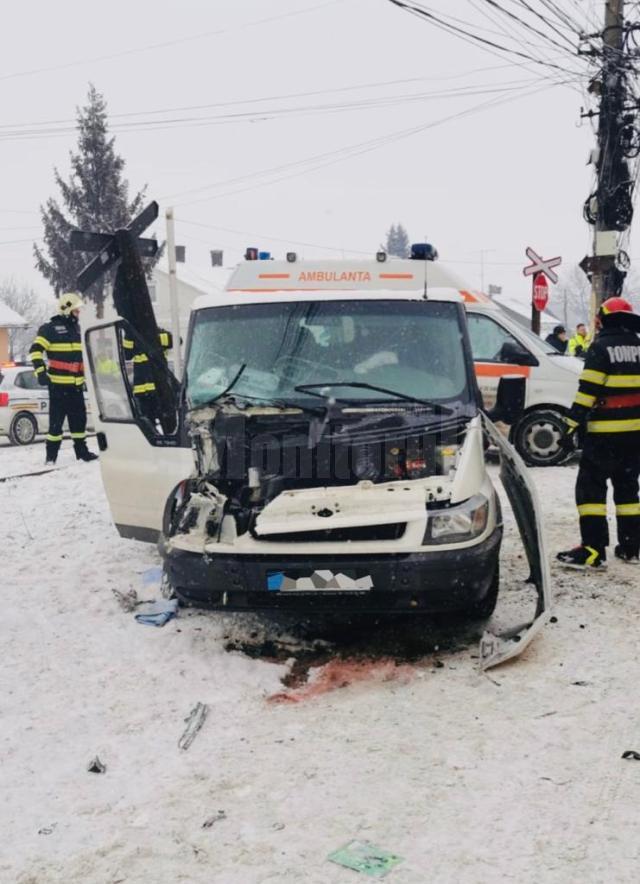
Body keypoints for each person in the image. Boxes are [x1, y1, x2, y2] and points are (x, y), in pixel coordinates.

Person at [557, 297, 640, 569]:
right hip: (634, 436)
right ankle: (631, 546)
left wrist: (570, 424)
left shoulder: (600, 347)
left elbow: (587, 393)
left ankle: (593, 550)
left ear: (602, 319)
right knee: (628, 491)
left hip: (604, 436)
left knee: (590, 490)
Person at [29, 292, 98, 465]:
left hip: (76, 387)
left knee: (79, 422)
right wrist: (40, 373)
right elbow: (35, 351)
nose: (78, 313)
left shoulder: (78, 330)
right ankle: (51, 457)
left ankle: (82, 453)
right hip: (58, 387)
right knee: (55, 426)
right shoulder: (49, 329)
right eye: (76, 310)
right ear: (66, 310)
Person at [123, 328, 173, 420]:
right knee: (148, 420)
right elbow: (127, 354)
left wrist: (145, 339)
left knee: (166, 418)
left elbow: (175, 341)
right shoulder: (131, 334)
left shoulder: (157, 332)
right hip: (143, 388)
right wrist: (130, 335)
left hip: (157, 386)